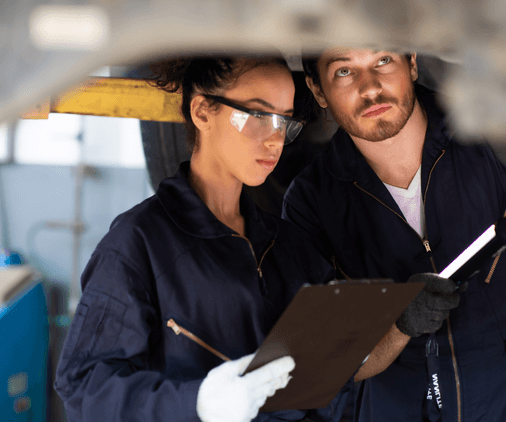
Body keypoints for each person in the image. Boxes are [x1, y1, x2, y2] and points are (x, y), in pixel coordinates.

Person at [54, 55, 341, 422]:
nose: (275, 139)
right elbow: (83, 389)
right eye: (257, 115)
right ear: (203, 112)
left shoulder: (287, 245)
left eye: (284, 120)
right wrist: (197, 403)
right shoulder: (139, 243)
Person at [282, 48, 506, 421]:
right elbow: (324, 365)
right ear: (318, 91)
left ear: (411, 62)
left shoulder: (491, 134)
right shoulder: (311, 200)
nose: (371, 88)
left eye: (383, 61)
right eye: (344, 71)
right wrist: (400, 325)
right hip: (396, 406)